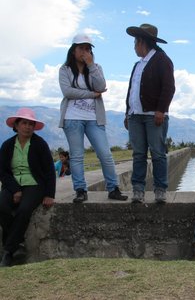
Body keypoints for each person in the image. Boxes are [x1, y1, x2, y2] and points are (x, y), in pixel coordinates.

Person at [59, 33, 127, 203]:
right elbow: (68, 92)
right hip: (72, 118)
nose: (85, 51)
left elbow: (101, 86)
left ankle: (113, 188)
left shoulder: (96, 67)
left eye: (88, 48)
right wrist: (91, 94)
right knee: (76, 156)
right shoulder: (65, 69)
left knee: (105, 154)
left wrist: (91, 66)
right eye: (81, 48)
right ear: (73, 50)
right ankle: (80, 190)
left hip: (94, 118)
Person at [124, 23, 175, 204]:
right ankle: (138, 189)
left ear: (142, 42)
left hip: (154, 115)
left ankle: (160, 189)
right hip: (135, 116)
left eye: (135, 42)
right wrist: (127, 113)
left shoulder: (162, 60)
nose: (134, 47)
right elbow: (132, 90)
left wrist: (161, 109)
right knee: (138, 154)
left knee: (157, 153)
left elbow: (168, 88)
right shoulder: (138, 65)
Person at [0, 108, 55, 267]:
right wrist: (15, 189)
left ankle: (9, 251)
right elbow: (2, 171)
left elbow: (49, 171)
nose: (28, 127)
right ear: (16, 125)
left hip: (34, 184)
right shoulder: (8, 145)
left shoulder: (40, 144)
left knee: (24, 210)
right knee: (2, 206)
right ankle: (17, 244)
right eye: (24, 123)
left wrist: (49, 194)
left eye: (31, 124)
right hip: (12, 184)